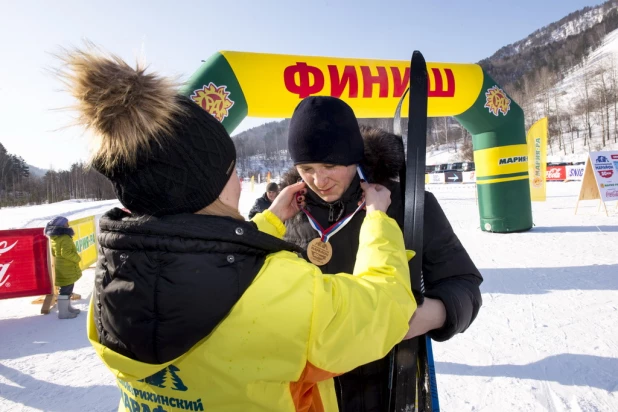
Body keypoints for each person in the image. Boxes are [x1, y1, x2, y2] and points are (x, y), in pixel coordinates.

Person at [60, 46, 417, 412]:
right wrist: (377, 220)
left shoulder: (111, 282)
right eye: (232, 171)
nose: (240, 183)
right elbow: (383, 308)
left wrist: (268, 222)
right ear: (211, 186)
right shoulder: (277, 290)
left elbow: (197, 259)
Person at [281, 96, 483, 411]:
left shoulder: (409, 204)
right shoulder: (287, 212)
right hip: (310, 390)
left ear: (352, 155)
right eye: (306, 168)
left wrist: (433, 313)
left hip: (389, 383)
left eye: (331, 165)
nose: (319, 180)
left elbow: (464, 286)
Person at [44, 216, 82, 319]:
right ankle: (63, 313)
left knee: (67, 288)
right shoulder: (65, 237)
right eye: (66, 223)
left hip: (61, 266)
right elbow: (66, 253)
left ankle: (67, 308)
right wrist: (77, 258)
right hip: (67, 266)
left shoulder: (54, 237)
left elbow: (54, 252)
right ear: (61, 225)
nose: (68, 225)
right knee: (66, 289)